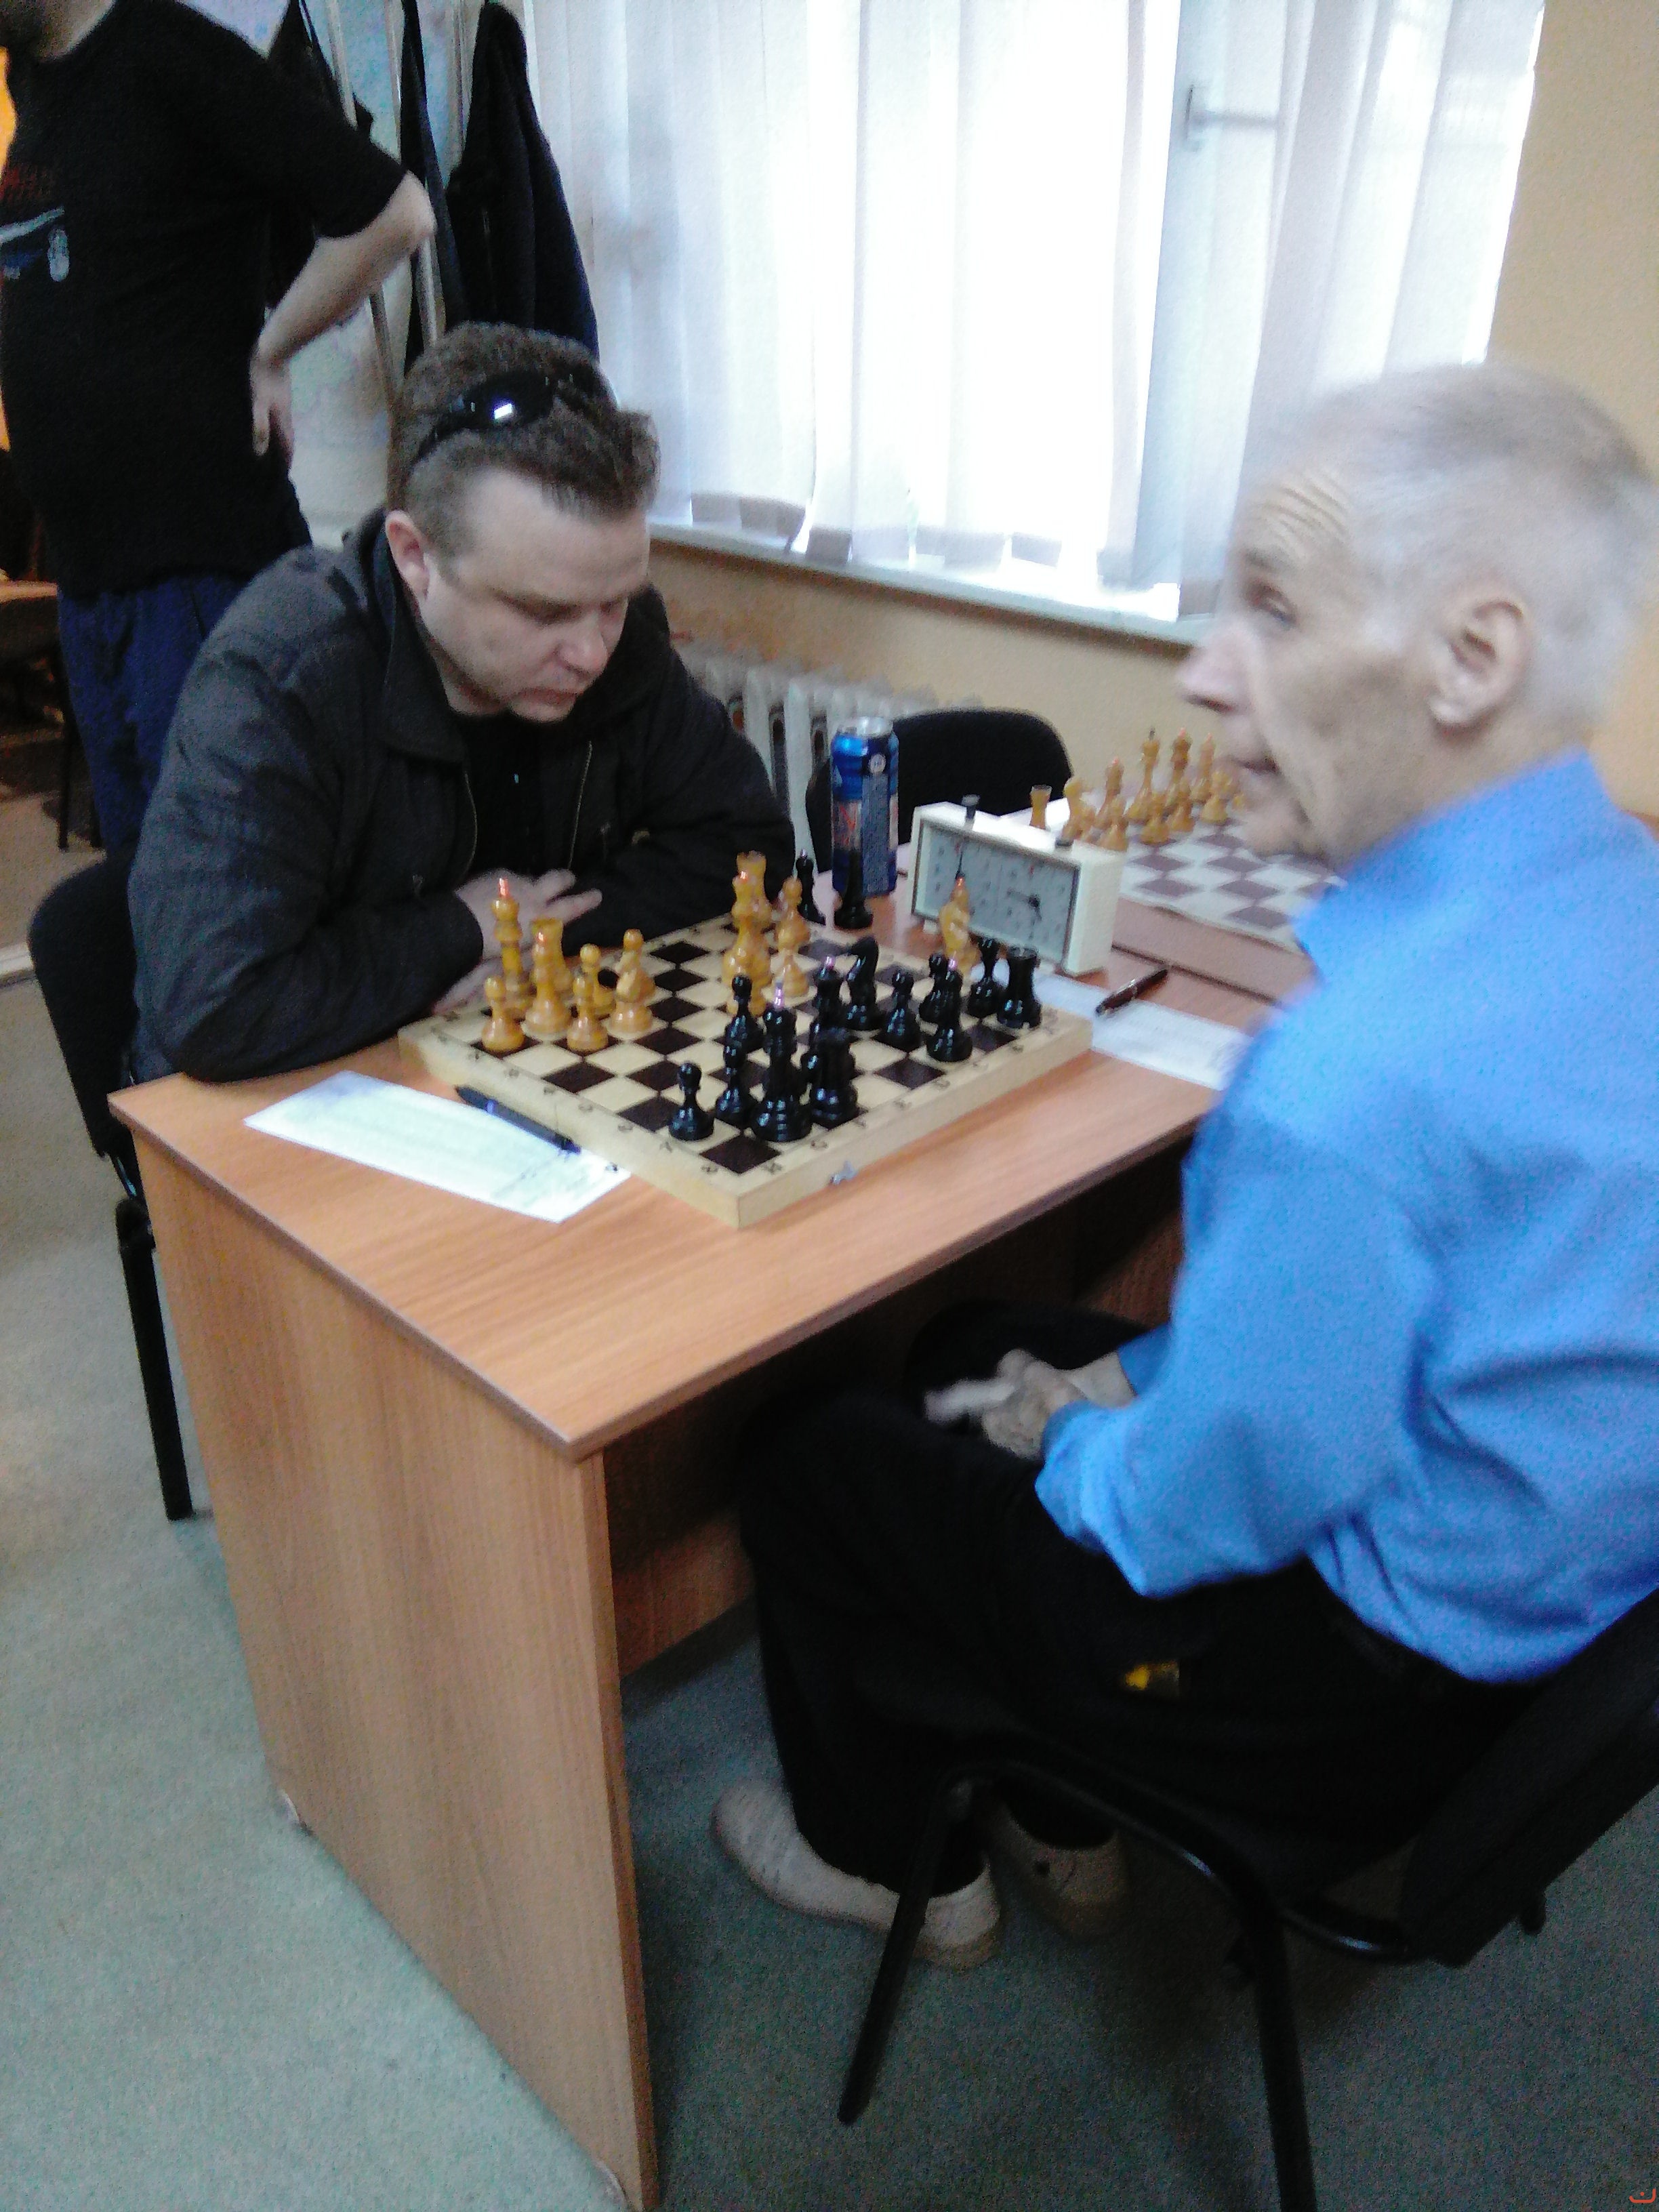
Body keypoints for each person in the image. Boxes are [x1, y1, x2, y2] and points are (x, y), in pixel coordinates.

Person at [714, 361, 1659, 1969]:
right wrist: (1119, 1381)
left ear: (1471, 656)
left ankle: (891, 1865)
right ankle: (1062, 1826)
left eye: (1273, 609)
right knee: (971, 1339)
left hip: (1338, 1688)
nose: (1204, 669)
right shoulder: (1622, 892)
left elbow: (1187, 1515)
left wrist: (1073, 1440)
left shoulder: (1348, 1083)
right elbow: (1391, 1332)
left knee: (810, 1453)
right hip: (1543, 1624)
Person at [127, 323, 795, 1082]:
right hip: (276, 1102)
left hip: (502, 1063)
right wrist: (462, 927)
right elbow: (214, 1004)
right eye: (543, 611)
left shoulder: (619, 637)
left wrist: (538, 935)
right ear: (415, 556)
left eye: (615, 602)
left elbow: (749, 845)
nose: (591, 652)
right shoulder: (283, 678)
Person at [0, 0, 435, 855]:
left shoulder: (171, 56)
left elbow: (397, 213)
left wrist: (273, 348)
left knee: (224, 876)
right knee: (149, 885)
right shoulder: (37, 85)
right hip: (91, 585)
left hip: (197, 578)